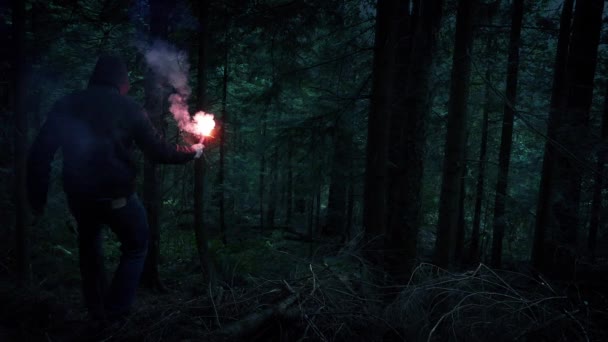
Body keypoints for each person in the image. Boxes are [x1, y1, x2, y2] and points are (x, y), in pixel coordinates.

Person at [26, 55, 203, 322]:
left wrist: (37, 198)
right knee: (136, 245)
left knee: (89, 249)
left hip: (80, 196)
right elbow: (158, 150)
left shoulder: (67, 104)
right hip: (116, 195)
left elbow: (40, 152)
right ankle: (116, 311)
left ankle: (97, 313)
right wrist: (191, 152)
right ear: (121, 81)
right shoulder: (128, 107)